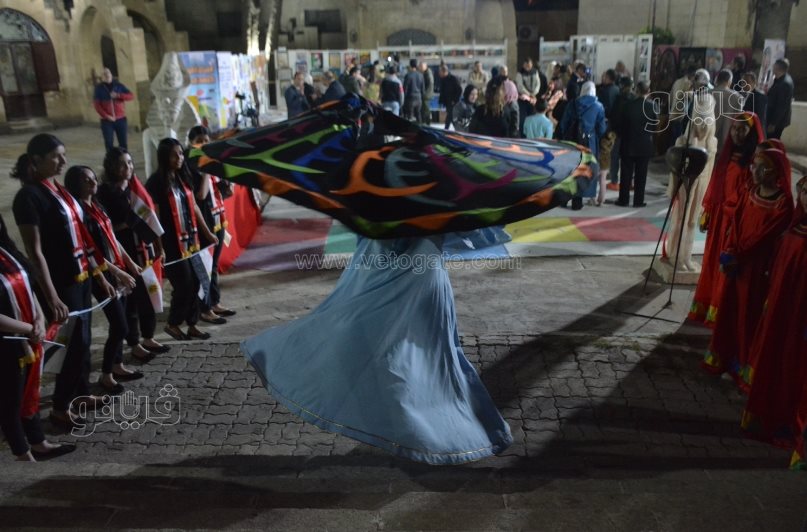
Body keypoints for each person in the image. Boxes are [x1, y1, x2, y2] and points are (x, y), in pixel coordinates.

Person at [242, 233, 513, 465]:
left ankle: (435, 428)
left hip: (400, 277)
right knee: (428, 357)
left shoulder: (382, 193)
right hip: (414, 275)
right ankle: (456, 428)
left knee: (415, 356)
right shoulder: (437, 190)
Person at [12, 134, 116, 429]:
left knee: (82, 343)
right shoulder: (28, 197)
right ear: (36, 160)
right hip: (61, 282)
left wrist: (101, 276)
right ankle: (59, 408)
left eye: (64, 155)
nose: (63, 161)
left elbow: (84, 237)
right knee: (72, 345)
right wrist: (52, 296)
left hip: (81, 277)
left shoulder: (61, 191)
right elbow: (35, 252)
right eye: (56, 156)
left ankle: (78, 395)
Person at [702, 148, 793, 381]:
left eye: (762, 167)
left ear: (775, 172)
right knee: (729, 309)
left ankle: (741, 362)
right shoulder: (750, 192)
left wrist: (740, 255)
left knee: (747, 313)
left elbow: (766, 235)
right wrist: (730, 250)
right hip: (737, 262)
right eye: (755, 165)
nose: (756, 171)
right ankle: (723, 355)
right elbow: (737, 223)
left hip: (757, 267)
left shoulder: (782, 203)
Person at [740, 175, 807, 469]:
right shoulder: (796, 227)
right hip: (781, 310)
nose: (805, 198)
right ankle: (774, 416)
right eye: (803, 191)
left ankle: (791, 423)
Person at [0, 213, 76, 461]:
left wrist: (40, 319)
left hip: (29, 335)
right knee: (10, 400)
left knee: (30, 390)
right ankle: (23, 456)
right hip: (8, 343)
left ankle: (38, 442)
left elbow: (28, 285)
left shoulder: (6, 251)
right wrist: (28, 329)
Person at [63, 166, 139, 395]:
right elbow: (92, 252)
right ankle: (106, 374)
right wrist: (118, 272)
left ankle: (117, 364)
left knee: (122, 319)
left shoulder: (96, 206)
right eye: (86, 180)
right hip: (100, 273)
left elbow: (112, 239)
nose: (93, 183)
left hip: (116, 269)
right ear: (75, 184)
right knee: (119, 324)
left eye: (94, 178)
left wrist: (129, 262)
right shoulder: (79, 213)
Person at [689, 112, 765, 324]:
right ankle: (708, 306)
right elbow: (717, 186)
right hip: (720, 219)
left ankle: (722, 314)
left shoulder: (755, 163)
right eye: (734, 128)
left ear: (752, 132)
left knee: (728, 268)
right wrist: (710, 212)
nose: (738, 133)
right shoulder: (727, 155)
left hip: (736, 223)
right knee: (712, 264)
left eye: (743, 129)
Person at [96, 148, 171, 360]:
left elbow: (150, 218)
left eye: (130, 163)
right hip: (124, 254)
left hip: (144, 250)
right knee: (133, 301)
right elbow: (108, 227)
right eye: (122, 164)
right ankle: (134, 342)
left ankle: (148, 337)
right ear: (111, 167)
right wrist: (128, 223)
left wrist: (159, 247)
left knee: (150, 294)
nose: (128, 168)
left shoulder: (135, 189)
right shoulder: (105, 193)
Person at [146, 138, 218, 342]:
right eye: (174, 155)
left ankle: (192, 323)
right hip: (171, 244)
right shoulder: (156, 182)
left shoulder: (183, 176)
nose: (179, 158)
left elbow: (194, 205)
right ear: (164, 157)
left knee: (196, 280)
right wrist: (159, 246)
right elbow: (155, 218)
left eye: (180, 153)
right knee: (184, 284)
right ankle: (174, 323)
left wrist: (207, 233)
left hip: (191, 240)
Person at [663, 93, 718, 272]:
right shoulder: (683, 141)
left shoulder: (712, 142)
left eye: (706, 122)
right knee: (681, 218)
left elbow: (709, 169)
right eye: (699, 121)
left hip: (700, 183)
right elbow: (676, 169)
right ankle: (676, 256)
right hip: (687, 183)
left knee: (693, 221)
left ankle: (686, 256)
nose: (702, 125)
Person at [187, 126, 236, 325]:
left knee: (213, 266)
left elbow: (222, 193)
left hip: (217, 218)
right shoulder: (191, 165)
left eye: (207, 139)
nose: (205, 143)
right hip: (203, 223)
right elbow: (199, 195)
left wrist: (227, 183)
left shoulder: (210, 161)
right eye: (200, 139)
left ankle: (214, 302)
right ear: (191, 142)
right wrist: (207, 171)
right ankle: (204, 308)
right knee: (204, 268)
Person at [559, 81, 607, 208]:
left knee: (570, 169)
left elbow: (564, 124)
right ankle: (577, 201)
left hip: (572, 142)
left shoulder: (573, 104)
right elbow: (602, 129)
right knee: (583, 170)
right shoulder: (598, 106)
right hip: (589, 142)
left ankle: (563, 199)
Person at [614, 81, 656, 208]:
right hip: (644, 145)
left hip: (628, 143)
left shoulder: (627, 106)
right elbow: (654, 127)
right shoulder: (651, 107)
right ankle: (638, 200)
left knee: (626, 173)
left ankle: (624, 199)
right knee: (641, 175)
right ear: (648, 92)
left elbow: (620, 125)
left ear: (636, 90)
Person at [93, 67, 134, 152]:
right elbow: (97, 106)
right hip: (107, 121)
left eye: (108, 73)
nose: (107, 75)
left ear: (111, 75)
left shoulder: (119, 86)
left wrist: (119, 95)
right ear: (102, 77)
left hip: (121, 119)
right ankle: (111, 162)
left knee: (123, 143)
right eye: (104, 74)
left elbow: (131, 96)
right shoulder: (99, 89)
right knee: (109, 143)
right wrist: (107, 116)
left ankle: (124, 160)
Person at [606, 76, 635, 191]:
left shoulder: (618, 99)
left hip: (618, 134)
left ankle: (614, 181)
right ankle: (629, 181)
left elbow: (613, 117)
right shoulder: (634, 99)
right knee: (628, 159)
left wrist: (611, 131)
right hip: (630, 135)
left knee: (615, 158)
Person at [712, 69, 744, 158]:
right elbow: (739, 119)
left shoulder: (706, 93)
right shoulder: (737, 97)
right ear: (729, 81)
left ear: (717, 79)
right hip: (727, 138)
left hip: (708, 137)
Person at [766, 58, 794, 140]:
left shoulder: (784, 83)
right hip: (774, 119)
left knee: (772, 141)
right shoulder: (780, 79)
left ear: (777, 68)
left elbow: (781, 107)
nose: (772, 67)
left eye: (774, 65)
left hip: (777, 122)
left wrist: (773, 124)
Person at [669, 66, 696, 143]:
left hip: (673, 113)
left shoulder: (677, 81)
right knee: (679, 139)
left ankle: (670, 153)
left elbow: (670, 97)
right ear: (693, 75)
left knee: (673, 137)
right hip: (681, 116)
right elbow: (692, 98)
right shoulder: (688, 84)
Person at [515, 58, 541, 134]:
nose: (528, 67)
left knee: (532, 116)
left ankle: (532, 133)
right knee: (523, 118)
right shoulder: (520, 73)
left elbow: (538, 84)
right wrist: (529, 94)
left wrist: (534, 93)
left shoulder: (535, 72)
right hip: (523, 99)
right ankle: (523, 133)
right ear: (523, 65)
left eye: (529, 65)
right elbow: (520, 86)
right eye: (526, 65)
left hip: (533, 99)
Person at [438, 64, 462, 130]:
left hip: (453, 102)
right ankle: (452, 129)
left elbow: (459, 90)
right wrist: (441, 101)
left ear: (444, 71)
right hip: (447, 102)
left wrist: (454, 100)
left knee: (450, 116)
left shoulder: (453, 79)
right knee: (450, 116)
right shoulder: (443, 80)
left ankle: (447, 129)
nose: (439, 73)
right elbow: (442, 92)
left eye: (440, 72)